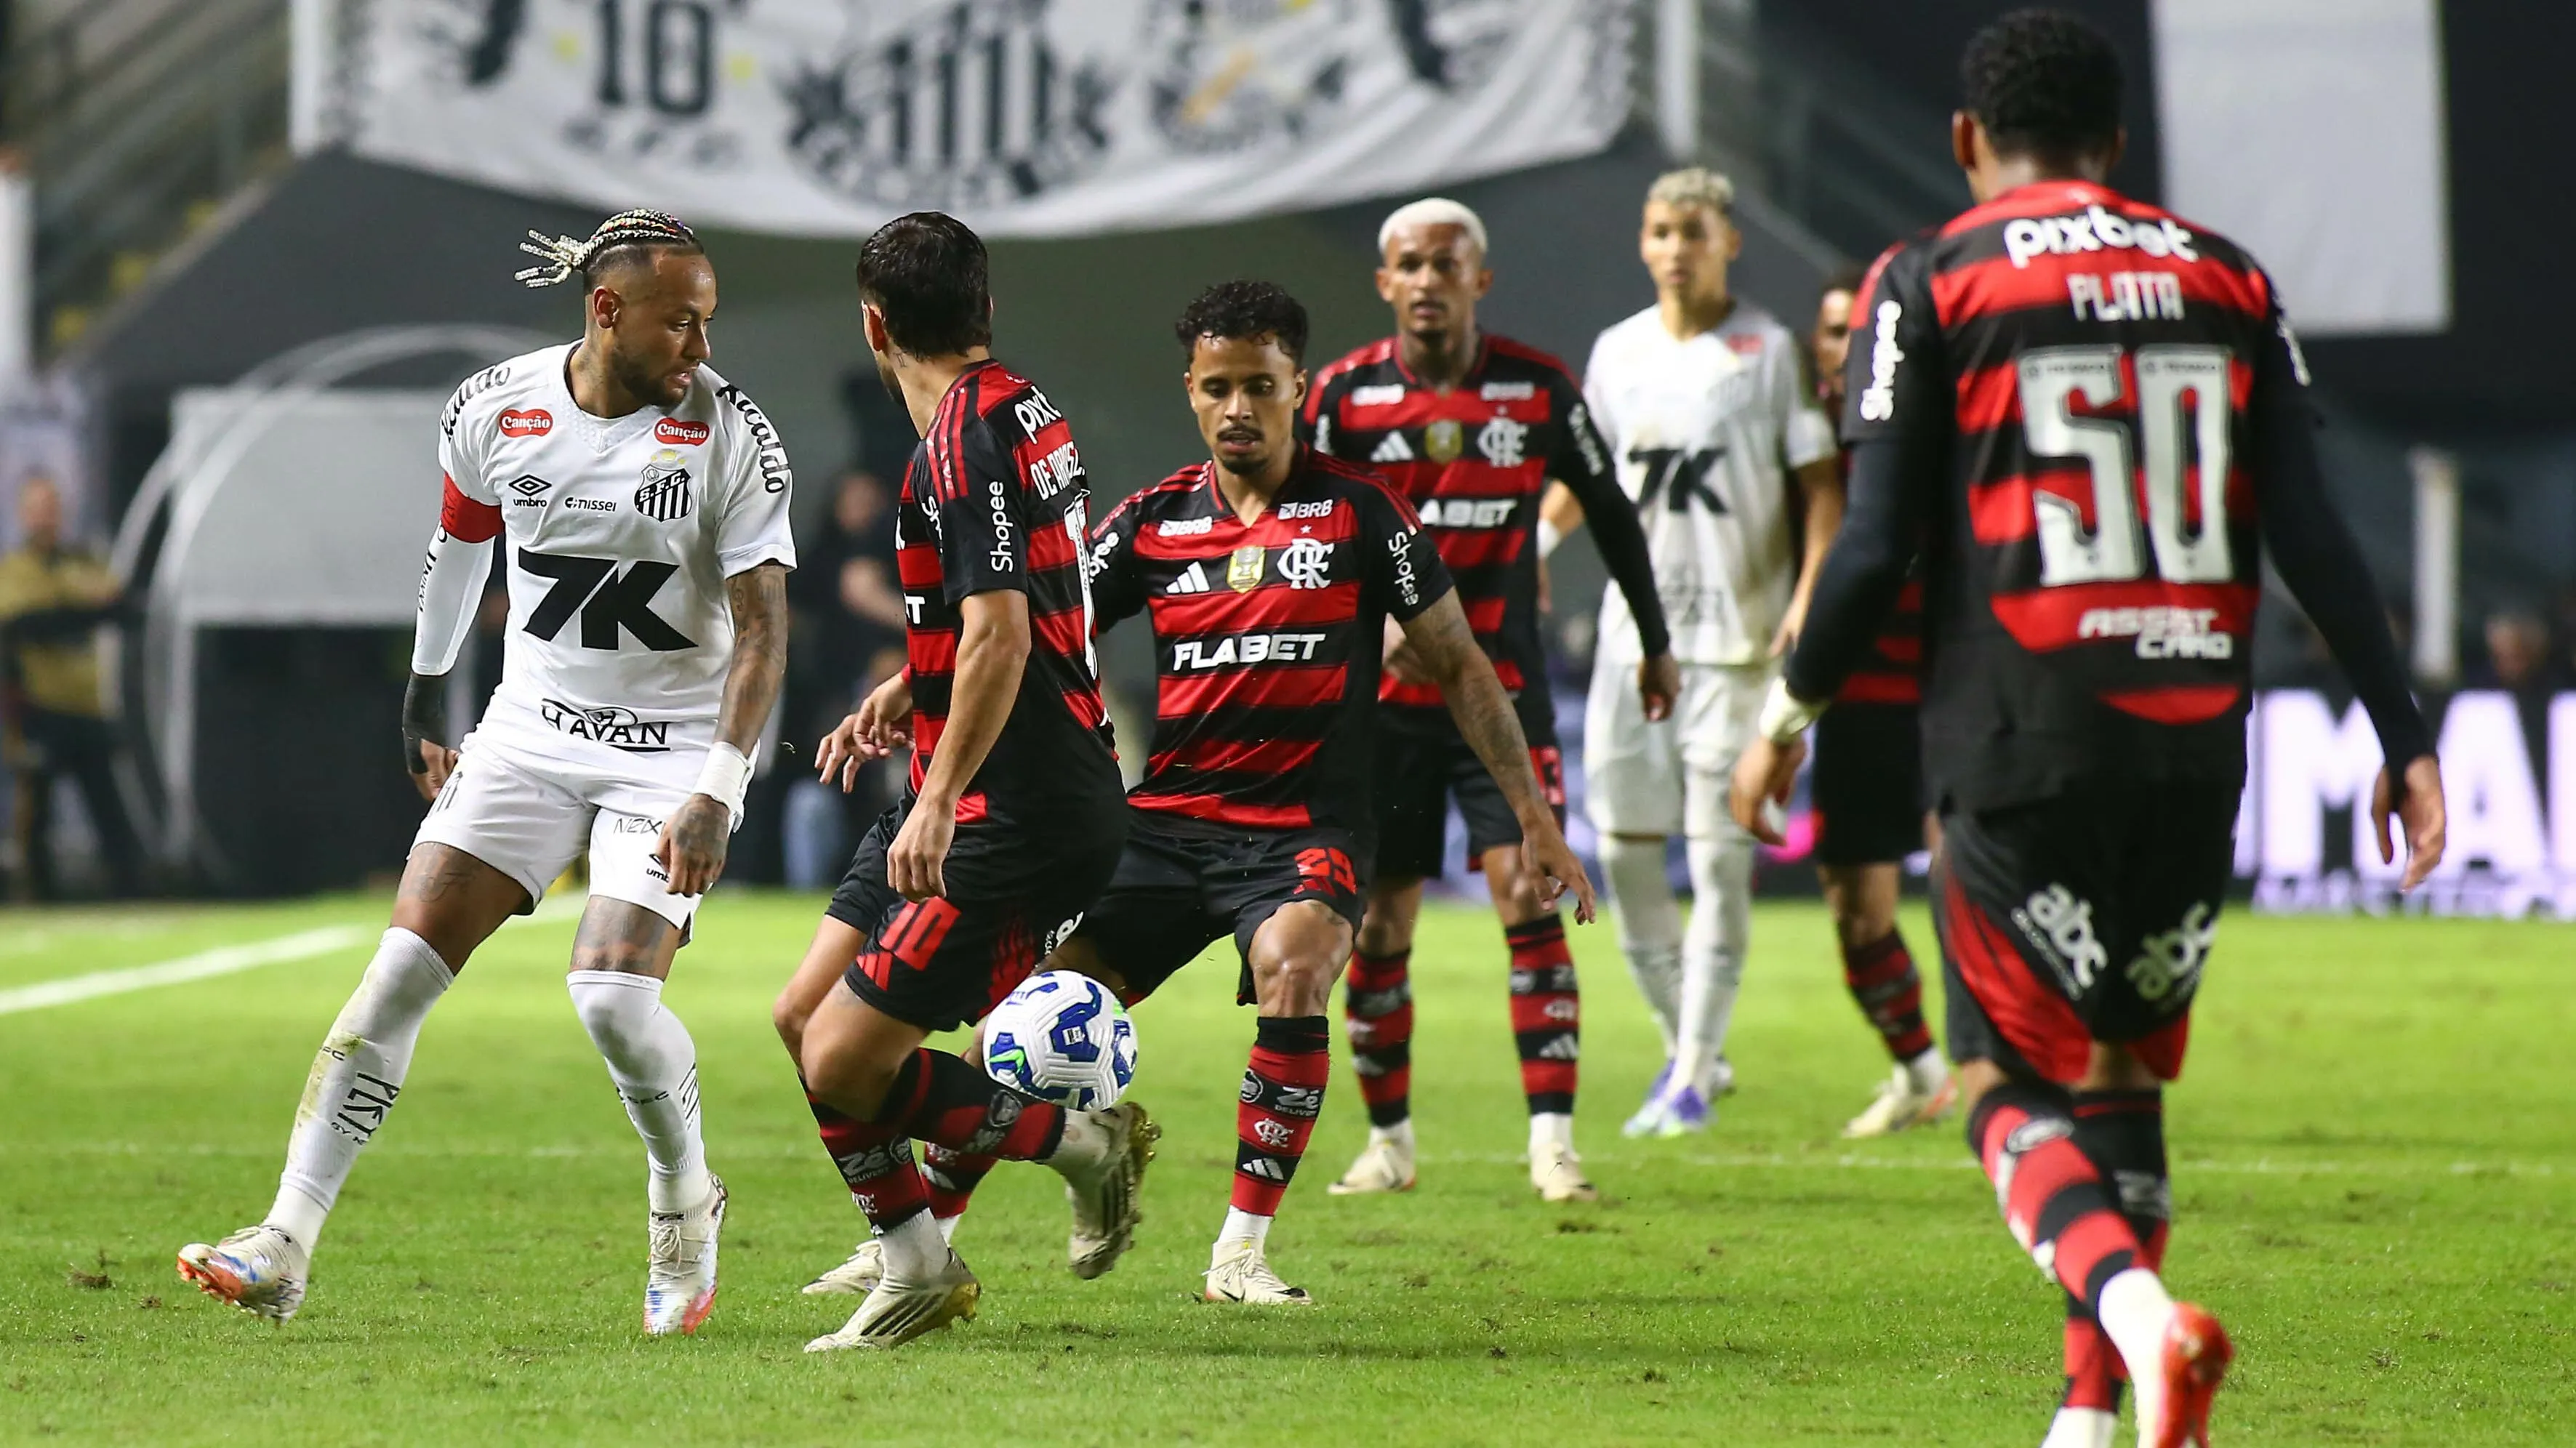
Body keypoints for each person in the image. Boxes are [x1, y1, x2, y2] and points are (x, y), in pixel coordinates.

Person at [1728, 15, 2447, 1447]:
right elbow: (2310, 528)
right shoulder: (2226, 273)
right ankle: (2087, 1419)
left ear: (1963, 143)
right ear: (2117, 147)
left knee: (1998, 1073)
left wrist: (1786, 712)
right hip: (2193, 734)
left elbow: (1869, 547)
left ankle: (2136, 1325)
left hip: (2022, 728)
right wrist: (2401, 732)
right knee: (2120, 1063)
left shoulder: (1929, 275)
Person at [797, 281, 1600, 1307]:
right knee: (1044, 1015)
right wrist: (910, 683)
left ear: (1296, 388)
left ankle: (1238, 1256)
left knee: (1294, 970)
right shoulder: (1154, 522)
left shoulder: (1363, 516)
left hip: (1304, 831)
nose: (1237, 408)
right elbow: (1036, 619)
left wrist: (1534, 820)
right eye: (1217, 386)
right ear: (1189, 391)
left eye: (1258, 386)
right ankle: (922, 1237)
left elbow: (1462, 666)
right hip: (1170, 825)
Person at [177, 210, 795, 1335]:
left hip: (666, 752)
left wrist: (719, 788)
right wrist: (425, 690)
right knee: (397, 974)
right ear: (606, 311)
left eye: (705, 324)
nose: (699, 349)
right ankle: (283, 1242)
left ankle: (682, 1200)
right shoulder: (493, 407)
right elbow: (461, 546)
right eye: (680, 324)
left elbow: (761, 632)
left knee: (611, 999)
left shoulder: (729, 432)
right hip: (529, 733)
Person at [768, 212, 1147, 1354]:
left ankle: (1067, 1156)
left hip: (1012, 804)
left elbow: (999, 637)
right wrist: (909, 688)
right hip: (985, 769)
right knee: (802, 1022)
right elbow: (1010, 610)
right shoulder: (1025, 406)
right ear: (983, 310)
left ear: (873, 325)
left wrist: (934, 795)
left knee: (843, 1058)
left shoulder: (955, 446)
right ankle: (916, 1252)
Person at [1303, 197, 1677, 1202]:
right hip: (1376, 708)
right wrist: (1358, 630)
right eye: (1408, 264)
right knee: (1380, 922)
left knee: (1527, 891)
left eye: (1445, 264)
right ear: (1384, 282)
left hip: (1500, 699)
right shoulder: (1337, 399)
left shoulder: (1537, 391)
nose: (1427, 280)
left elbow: (1611, 518)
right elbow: (1295, 534)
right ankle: (1389, 1142)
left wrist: (1652, 638)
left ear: (1480, 279)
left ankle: (1551, 1142)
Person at [1537, 167, 1840, 1136]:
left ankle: (1692, 1075)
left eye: (1693, 231)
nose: (1675, 248)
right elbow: (1588, 480)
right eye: (1660, 230)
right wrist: (1529, 549)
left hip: (1737, 647)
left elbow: (1819, 491)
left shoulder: (1765, 351)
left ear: (1727, 242)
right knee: (1623, 859)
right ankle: (1690, 1051)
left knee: (1715, 865)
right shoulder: (1616, 353)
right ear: (1642, 241)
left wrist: (1807, 595)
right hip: (1635, 644)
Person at [1803, 265, 1957, 1138]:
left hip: (1944, 698)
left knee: (1968, 900)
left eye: (1862, 331)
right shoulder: (1803, 444)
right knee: (1856, 918)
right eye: (1834, 332)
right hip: (1854, 702)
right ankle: (1923, 1070)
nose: (1848, 346)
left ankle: (2014, 1077)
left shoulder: (1940, 434)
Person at [0, 474, 144, 898]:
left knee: (108, 804)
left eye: (52, 505)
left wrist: (74, 611)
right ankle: (38, 893)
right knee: (37, 807)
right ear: (23, 513)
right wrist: (84, 612)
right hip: (40, 706)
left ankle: (130, 891)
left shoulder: (83, 563)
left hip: (88, 706)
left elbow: (124, 608)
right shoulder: (16, 571)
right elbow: (24, 625)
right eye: (37, 506)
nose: (46, 516)